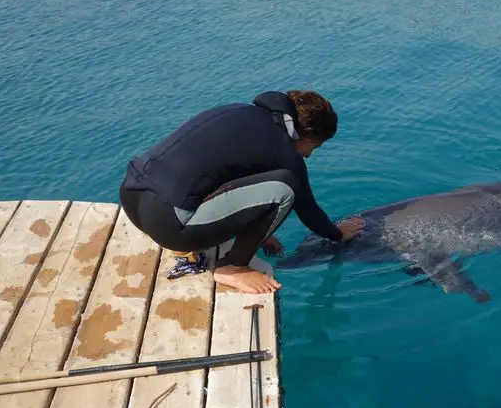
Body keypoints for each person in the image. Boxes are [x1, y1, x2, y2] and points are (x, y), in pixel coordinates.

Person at [118, 89, 364, 294]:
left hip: (134, 198)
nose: (309, 154)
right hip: (171, 224)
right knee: (287, 187)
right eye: (314, 145)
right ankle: (233, 268)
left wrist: (259, 232)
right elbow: (308, 211)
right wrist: (338, 234)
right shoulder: (284, 149)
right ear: (306, 134)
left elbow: (225, 174)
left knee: (205, 178)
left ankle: (182, 245)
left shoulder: (242, 113)